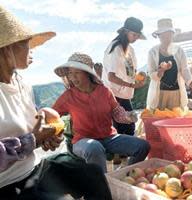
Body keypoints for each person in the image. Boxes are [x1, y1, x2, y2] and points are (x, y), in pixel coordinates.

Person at [0, 5, 112, 200]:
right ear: (7, 48)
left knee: (92, 174)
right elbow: (29, 138)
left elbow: (33, 125)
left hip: (35, 168)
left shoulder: (23, 84)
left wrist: (47, 135)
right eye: (27, 43)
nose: (32, 48)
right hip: (7, 184)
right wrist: (33, 140)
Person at [53, 52, 150, 172]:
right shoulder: (68, 96)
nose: (73, 77)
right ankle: (103, 184)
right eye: (70, 74)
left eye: (77, 73)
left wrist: (128, 117)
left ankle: (128, 175)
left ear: (88, 73)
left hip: (109, 137)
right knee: (94, 147)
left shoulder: (104, 91)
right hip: (82, 142)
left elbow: (117, 112)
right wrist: (53, 131)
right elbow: (52, 115)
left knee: (143, 146)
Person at [102, 17, 146, 136]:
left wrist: (138, 77)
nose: (136, 38)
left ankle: (125, 153)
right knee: (126, 127)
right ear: (125, 32)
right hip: (115, 95)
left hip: (124, 94)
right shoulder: (116, 48)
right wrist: (132, 85)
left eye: (138, 35)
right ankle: (124, 153)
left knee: (128, 127)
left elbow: (128, 72)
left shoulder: (129, 49)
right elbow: (111, 77)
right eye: (134, 34)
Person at [147, 18, 192, 110]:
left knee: (175, 119)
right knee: (159, 119)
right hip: (159, 93)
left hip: (176, 92)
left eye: (169, 35)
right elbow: (151, 73)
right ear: (159, 36)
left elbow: (185, 69)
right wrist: (160, 71)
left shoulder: (179, 51)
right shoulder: (153, 52)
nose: (166, 38)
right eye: (163, 36)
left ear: (172, 35)